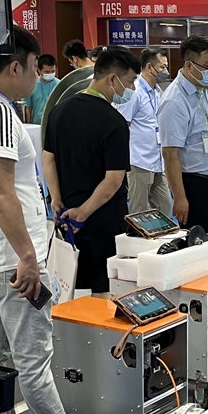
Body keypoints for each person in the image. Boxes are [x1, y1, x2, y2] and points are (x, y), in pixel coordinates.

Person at [0, 25, 119, 414]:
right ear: (15, 68)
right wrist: (28, 257)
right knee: (34, 356)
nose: (39, 76)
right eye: (35, 66)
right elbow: (1, 192)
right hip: (12, 261)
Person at [44, 46, 139, 299]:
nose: (131, 89)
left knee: (66, 289)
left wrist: (56, 198)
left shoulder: (58, 112)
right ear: (112, 79)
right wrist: (84, 212)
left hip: (67, 217)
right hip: (102, 221)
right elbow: (113, 180)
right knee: (103, 293)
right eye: (130, 82)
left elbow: (48, 159)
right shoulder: (114, 122)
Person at [157, 35, 208, 232]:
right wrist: (180, 197)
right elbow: (170, 154)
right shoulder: (174, 101)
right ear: (189, 66)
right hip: (197, 188)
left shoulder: (206, 87)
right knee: (199, 244)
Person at [116, 47, 172, 216]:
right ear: (149, 67)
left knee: (164, 206)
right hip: (139, 160)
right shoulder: (134, 92)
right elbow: (121, 124)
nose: (166, 71)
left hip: (158, 159)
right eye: (162, 67)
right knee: (138, 210)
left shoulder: (158, 92)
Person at [24, 53, 59, 124]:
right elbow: (28, 108)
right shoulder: (31, 85)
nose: (50, 74)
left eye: (53, 71)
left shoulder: (59, 84)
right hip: (37, 125)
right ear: (39, 70)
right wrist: (29, 125)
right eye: (47, 72)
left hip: (55, 124)